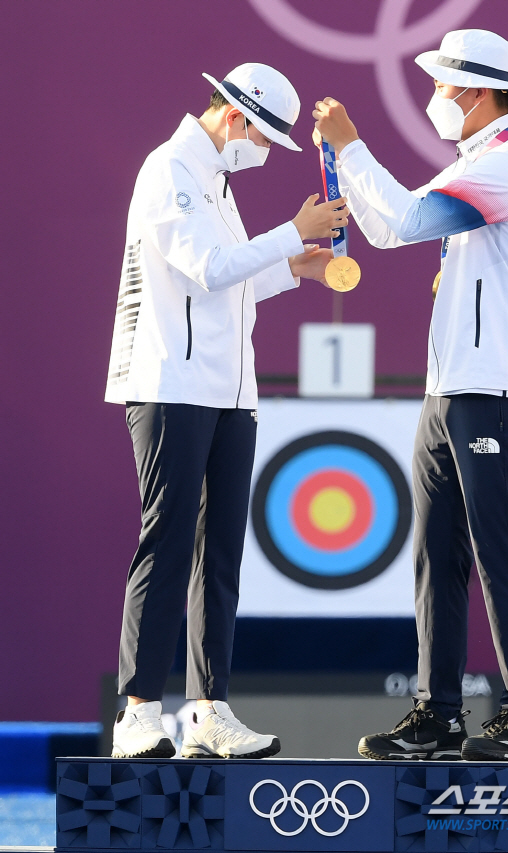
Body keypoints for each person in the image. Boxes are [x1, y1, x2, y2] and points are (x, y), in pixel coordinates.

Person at [314, 29, 508, 761]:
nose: (435, 101)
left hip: (497, 391)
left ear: (476, 93)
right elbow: (389, 227)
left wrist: (350, 148)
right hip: (447, 393)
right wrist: (345, 174)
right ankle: (438, 713)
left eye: (443, 87)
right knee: (435, 556)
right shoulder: (474, 163)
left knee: (498, 551)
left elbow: (407, 222)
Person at [105, 62, 344, 759]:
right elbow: (207, 267)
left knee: (220, 554)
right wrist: (290, 229)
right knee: (169, 539)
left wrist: (292, 262)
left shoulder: (216, 179)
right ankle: (139, 714)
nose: (267, 152)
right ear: (236, 119)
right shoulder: (171, 168)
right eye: (268, 137)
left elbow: (231, 280)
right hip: (171, 383)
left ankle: (208, 710)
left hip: (230, 390)